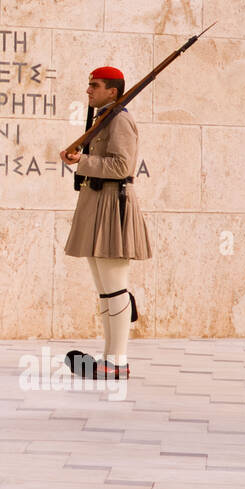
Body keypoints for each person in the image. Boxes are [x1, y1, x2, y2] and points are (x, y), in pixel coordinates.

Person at [58, 66, 152, 381]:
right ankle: (110, 359)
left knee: (115, 289)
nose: (88, 91)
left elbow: (123, 165)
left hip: (114, 205)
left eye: (94, 86)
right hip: (98, 205)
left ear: (112, 90)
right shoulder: (104, 117)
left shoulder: (121, 119)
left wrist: (82, 161)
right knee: (105, 291)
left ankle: (118, 361)